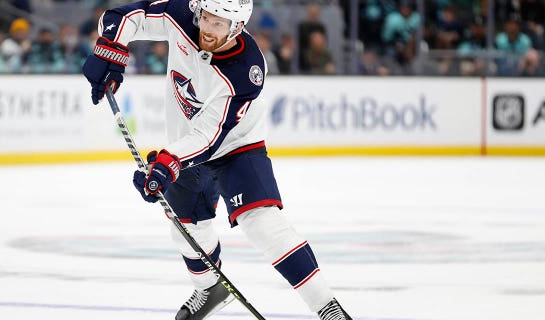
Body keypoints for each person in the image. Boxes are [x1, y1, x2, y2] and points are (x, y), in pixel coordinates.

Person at [81, 0, 353, 319]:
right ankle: (210, 288)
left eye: (218, 24)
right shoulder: (182, 15)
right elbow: (125, 16)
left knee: (263, 224)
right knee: (186, 226)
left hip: (236, 145)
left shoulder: (246, 70)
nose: (207, 29)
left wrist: (167, 164)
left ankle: (326, 306)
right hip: (185, 144)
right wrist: (111, 50)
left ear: (236, 27)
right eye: (205, 18)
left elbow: (210, 137)